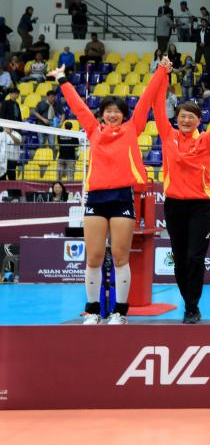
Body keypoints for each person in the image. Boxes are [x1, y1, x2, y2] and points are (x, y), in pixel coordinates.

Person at [51, 60, 164, 324]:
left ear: (124, 114)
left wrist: (161, 70)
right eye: (108, 111)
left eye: (117, 111)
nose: (112, 115)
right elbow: (78, 107)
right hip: (96, 198)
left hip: (122, 197)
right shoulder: (93, 129)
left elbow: (146, 99)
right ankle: (92, 311)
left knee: (121, 258)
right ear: (102, 114)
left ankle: (120, 312)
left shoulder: (132, 129)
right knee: (93, 258)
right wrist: (62, 79)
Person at [153, 58, 210, 323]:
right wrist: (163, 74)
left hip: (201, 206)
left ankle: (192, 306)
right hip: (174, 205)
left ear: (199, 120)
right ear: (176, 118)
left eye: (192, 117)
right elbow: (157, 105)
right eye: (182, 116)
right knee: (179, 258)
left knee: (194, 257)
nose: (187, 120)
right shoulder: (168, 136)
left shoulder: (207, 140)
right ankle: (188, 301)